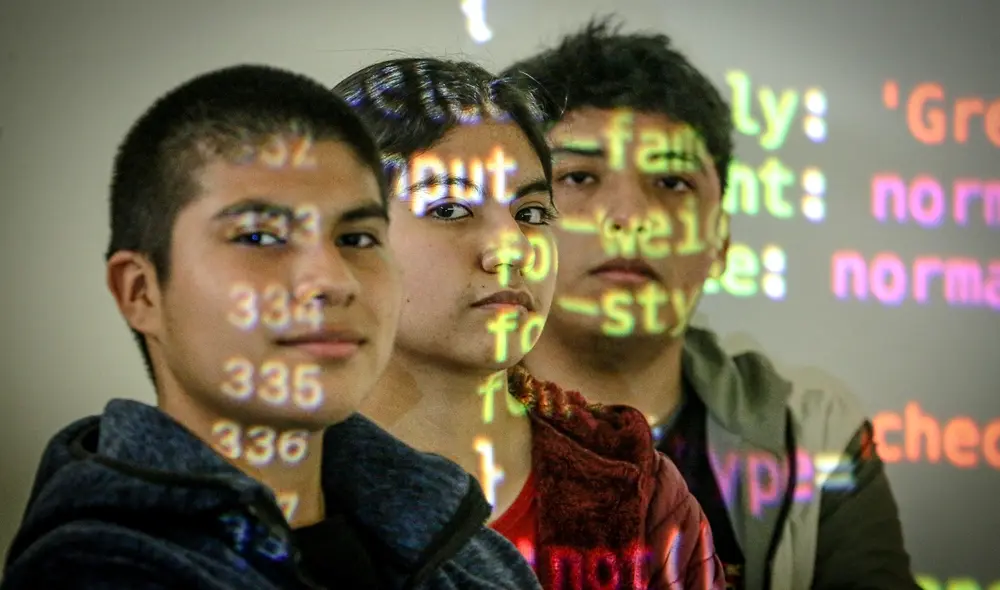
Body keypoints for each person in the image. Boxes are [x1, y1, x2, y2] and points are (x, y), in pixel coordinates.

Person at [1, 64, 542, 590]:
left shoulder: (466, 551)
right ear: (141, 292)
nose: (331, 280)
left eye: (356, 238)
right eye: (260, 237)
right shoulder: (99, 568)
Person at [502, 17, 920, 590]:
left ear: (720, 241)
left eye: (672, 183)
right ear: (516, 227)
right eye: (578, 177)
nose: (630, 218)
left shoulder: (815, 433)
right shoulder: (428, 418)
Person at [335, 57, 724, 590]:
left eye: (533, 213)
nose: (512, 247)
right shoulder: (260, 478)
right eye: (450, 209)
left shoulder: (633, 486)